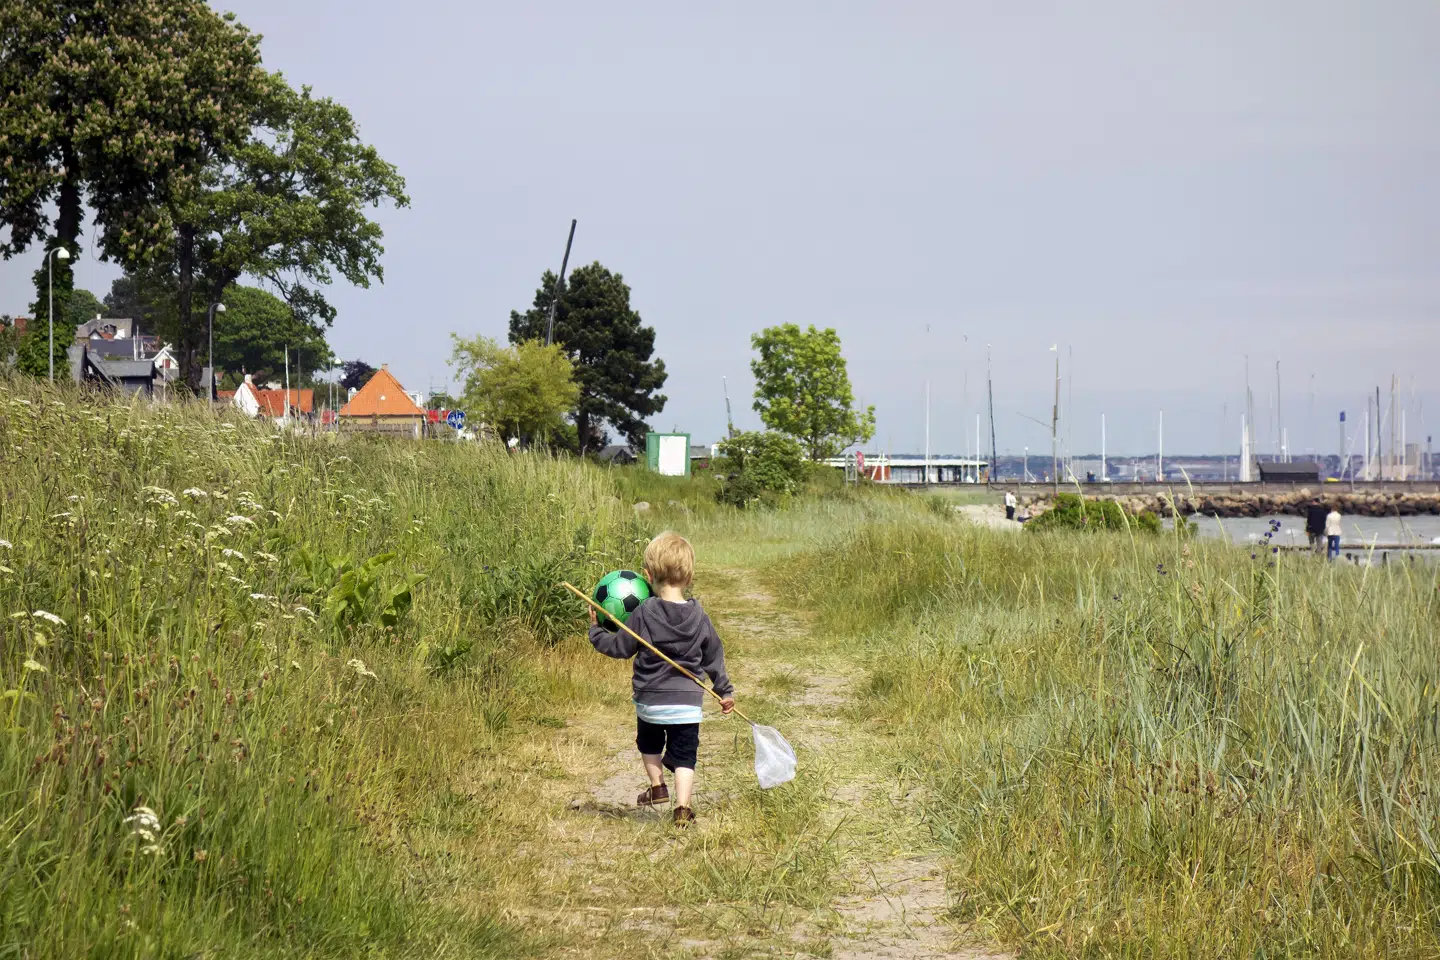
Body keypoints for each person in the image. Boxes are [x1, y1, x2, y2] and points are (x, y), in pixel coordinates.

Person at [588, 531, 734, 826]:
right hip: (687, 705)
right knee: (684, 757)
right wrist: (724, 690)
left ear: (647, 575)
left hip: (650, 702)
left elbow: (620, 648)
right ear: (690, 577)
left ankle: (657, 786)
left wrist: (596, 632)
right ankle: (683, 808)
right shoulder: (699, 615)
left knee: (649, 744)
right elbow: (713, 656)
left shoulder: (644, 612)